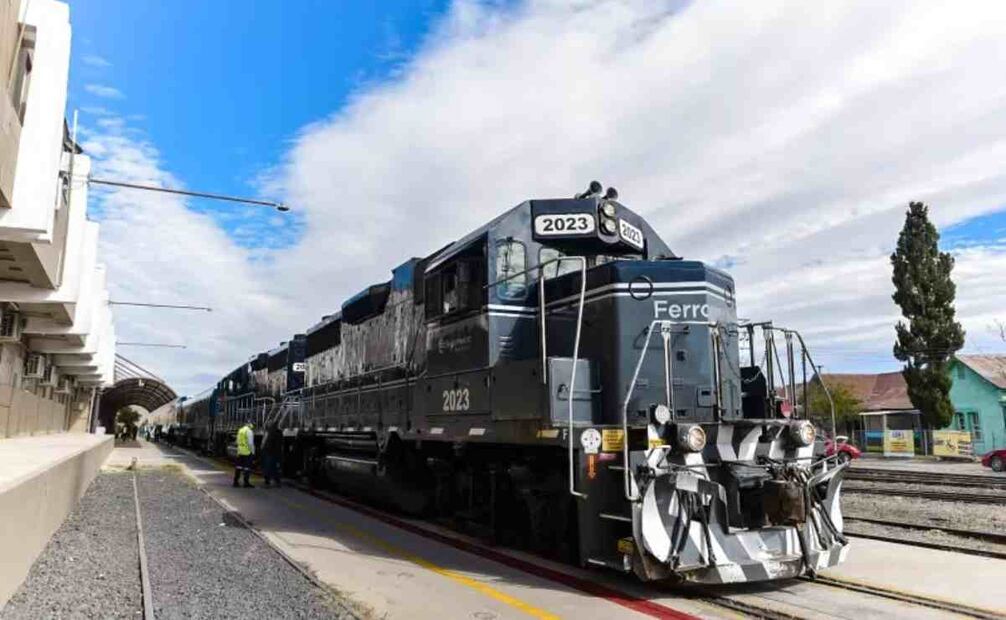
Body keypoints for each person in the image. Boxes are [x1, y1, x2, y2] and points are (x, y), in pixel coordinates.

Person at [233, 421, 255, 488]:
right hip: (247, 452)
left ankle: (235, 482)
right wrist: (253, 452)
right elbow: (250, 443)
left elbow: (236, 441)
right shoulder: (249, 431)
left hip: (240, 451)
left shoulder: (240, 430)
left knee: (238, 467)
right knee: (247, 468)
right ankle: (246, 483)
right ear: (250, 425)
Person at [261, 421, 283, 487]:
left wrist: (263, 450)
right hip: (275, 453)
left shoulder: (269, 432)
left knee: (268, 466)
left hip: (268, 452)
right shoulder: (279, 432)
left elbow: (265, 443)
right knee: (275, 467)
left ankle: (267, 481)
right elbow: (280, 444)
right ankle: (277, 481)